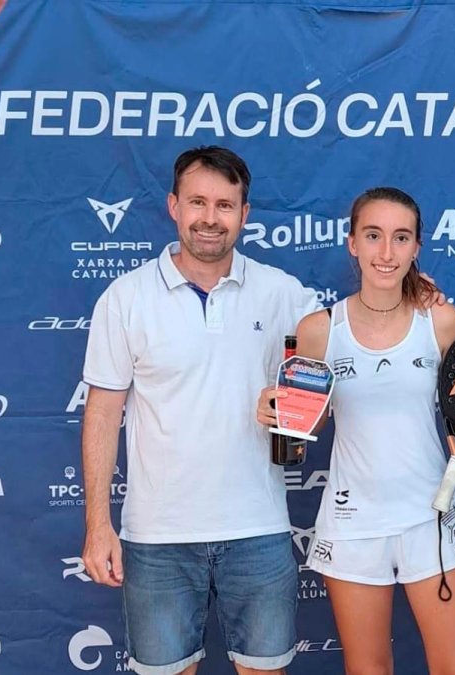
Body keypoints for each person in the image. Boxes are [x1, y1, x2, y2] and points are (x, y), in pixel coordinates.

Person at [80, 146, 320, 675]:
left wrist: (297, 390)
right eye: (198, 202)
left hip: (257, 530)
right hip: (157, 540)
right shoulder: (125, 298)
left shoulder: (280, 292)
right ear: (173, 206)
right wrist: (98, 525)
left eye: (225, 205)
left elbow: (341, 339)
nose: (210, 218)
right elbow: (101, 414)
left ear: (244, 214)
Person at [256, 187, 455, 675]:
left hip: (431, 521)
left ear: (417, 247)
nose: (387, 252)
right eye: (374, 236)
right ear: (352, 243)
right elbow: (304, 428)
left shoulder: (441, 320)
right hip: (352, 524)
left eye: (401, 238)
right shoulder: (319, 328)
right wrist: (279, 414)